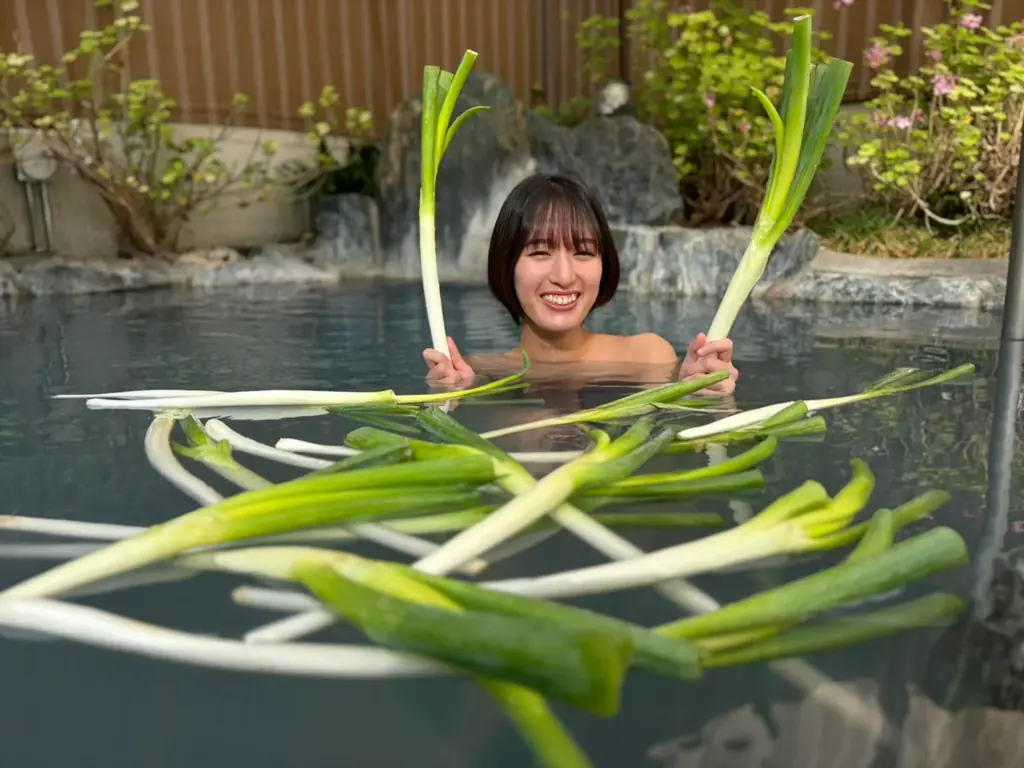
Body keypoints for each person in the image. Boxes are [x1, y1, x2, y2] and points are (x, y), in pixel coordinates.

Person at [422, 173, 739, 394]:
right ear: (507, 265)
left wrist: (701, 395)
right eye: (540, 252)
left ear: (605, 265)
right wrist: (449, 399)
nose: (563, 276)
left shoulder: (649, 357)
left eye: (584, 252)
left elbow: (677, 448)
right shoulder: (477, 375)